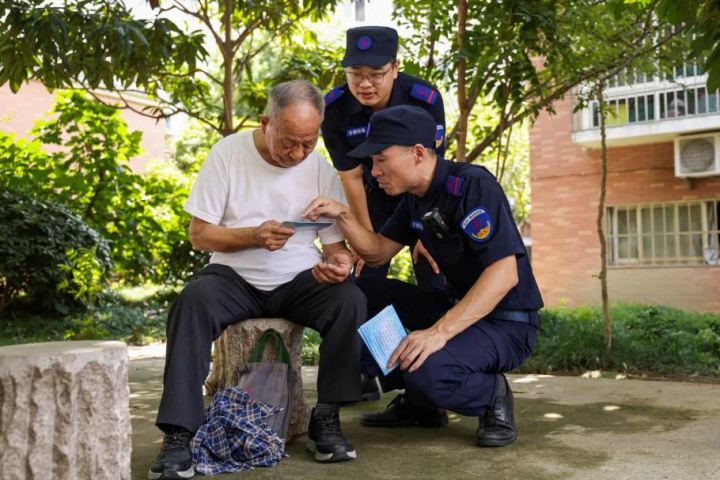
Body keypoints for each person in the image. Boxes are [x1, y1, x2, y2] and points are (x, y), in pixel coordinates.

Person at [149, 81, 365, 480]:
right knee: (192, 301)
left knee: (349, 300)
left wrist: (339, 265)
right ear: (266, 122)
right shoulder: (227, 154)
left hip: (300, 279)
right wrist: (253, 236)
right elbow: (199, 234)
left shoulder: (319, 167)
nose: (298, 154)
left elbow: (337, 248)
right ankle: (180, 433)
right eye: (289, 143)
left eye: (308, 143)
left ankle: (327, 417)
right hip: (234, 277)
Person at [304, 105, 544, 447]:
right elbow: (377, 252)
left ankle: (491, 394)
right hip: (454, 307)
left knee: (428, 373)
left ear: (417, 153)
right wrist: (343, 215)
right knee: (359, 293)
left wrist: (437, 333)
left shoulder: (472, 186)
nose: (374, 172)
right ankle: (420, 403)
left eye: (381, 159)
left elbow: (505, 274)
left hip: (506, 322)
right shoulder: (414, 200)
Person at [322, 25, 447, 401]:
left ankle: (430, 384)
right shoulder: (335, 107)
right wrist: (362, 235)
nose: (365, 84)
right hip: (372, 196)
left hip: (422, 197)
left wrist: (425, 234)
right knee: (363, 282)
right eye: (355, 74)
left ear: (395, 67)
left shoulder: (424, 97)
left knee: (436, 277)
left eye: (375, 74)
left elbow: (432, 169)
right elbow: (351, 176)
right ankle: (368, 372)